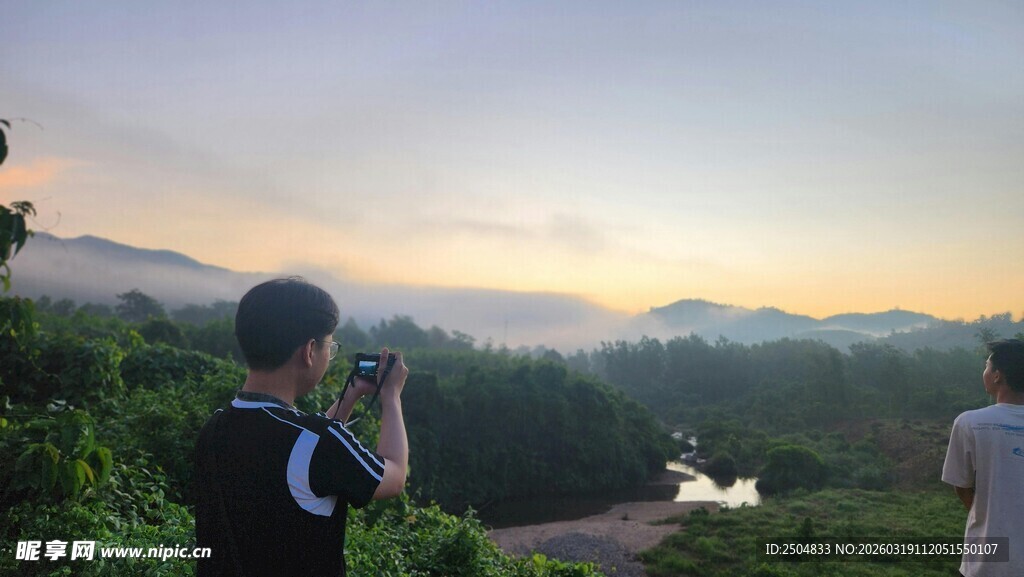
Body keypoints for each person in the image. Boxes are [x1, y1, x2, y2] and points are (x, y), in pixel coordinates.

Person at [194, 277, 408, 576]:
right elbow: (394, 475)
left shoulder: (213, 429)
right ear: (309, 351)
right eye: (329, 346)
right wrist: (391, 396)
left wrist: (351, 395)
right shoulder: (316, 442)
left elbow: (303, 443)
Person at [942, 339, 1024, 577]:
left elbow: (962, 486)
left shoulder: (971, 423)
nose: (985, 372)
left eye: (987, 366)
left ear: (997, 375)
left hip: (986, 564)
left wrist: (991, 514)